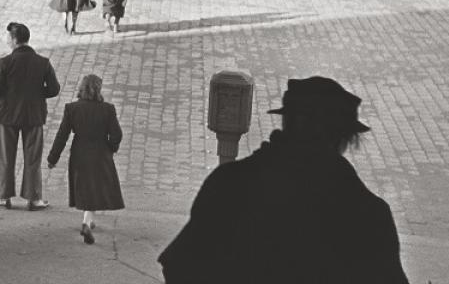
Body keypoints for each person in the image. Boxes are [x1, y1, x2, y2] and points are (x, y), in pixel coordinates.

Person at [158, 77, 409, 284]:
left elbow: (180, 266)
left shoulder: (228, 183)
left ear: (287, 123)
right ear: (343, 139)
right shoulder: (366, 213)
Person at [0, 22, 61, 211]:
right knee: (33, 158)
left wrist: (10, 93)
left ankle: (3, 196)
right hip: (34, 115)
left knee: (5, 156)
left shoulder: (5, 62)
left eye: (7, 37)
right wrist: (36, 94)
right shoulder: (42, 62)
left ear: (14, 39)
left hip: (7, 116)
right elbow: (54, 89)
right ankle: (34, 198)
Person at [46, 74, 125, 245]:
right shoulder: (108, 109)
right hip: (101, 154)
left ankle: (88, 221)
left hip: (79, 153)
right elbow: (117, 134)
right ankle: (87, 223)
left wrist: (53, 158)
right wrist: (111, 148)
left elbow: (62, 136)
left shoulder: (72, 108)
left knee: (87, 188)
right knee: (95, 189)